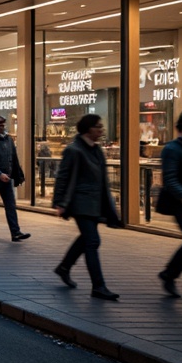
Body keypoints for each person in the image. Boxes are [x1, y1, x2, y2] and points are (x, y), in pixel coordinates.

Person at [53, 113, 121, 300]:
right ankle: (98, 286)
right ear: (88, 129)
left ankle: (64, 267)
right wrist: (59, 203)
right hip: (80, 203)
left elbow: (102, 180)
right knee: (92, 241)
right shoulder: (74, 150)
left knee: (86, 239)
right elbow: (63, 177)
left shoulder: (97, 150)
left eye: (101, 127)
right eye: (98, 127)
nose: (101, 130)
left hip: (96, 203)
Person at [0, 115, 30, 242]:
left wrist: (18, 175)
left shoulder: (9, 140)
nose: (2, 127)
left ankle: (15, 232)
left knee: (10, 206)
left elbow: (14, 158)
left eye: (3, 125)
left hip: (6, 179)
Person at [156, 110, 182, 298]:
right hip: (179, 203)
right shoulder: (172, 149)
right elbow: (169, 178)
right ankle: (169, 274)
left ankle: (169, 274)